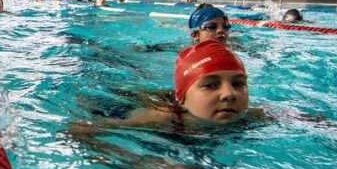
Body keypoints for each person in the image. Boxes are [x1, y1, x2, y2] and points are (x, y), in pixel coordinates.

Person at [69, 39, 259, 134]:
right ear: (183, 97)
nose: (229, 94)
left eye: (238, 83)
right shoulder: (159, 118)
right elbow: (81, 131)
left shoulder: (256, 117)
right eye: (210, 85)